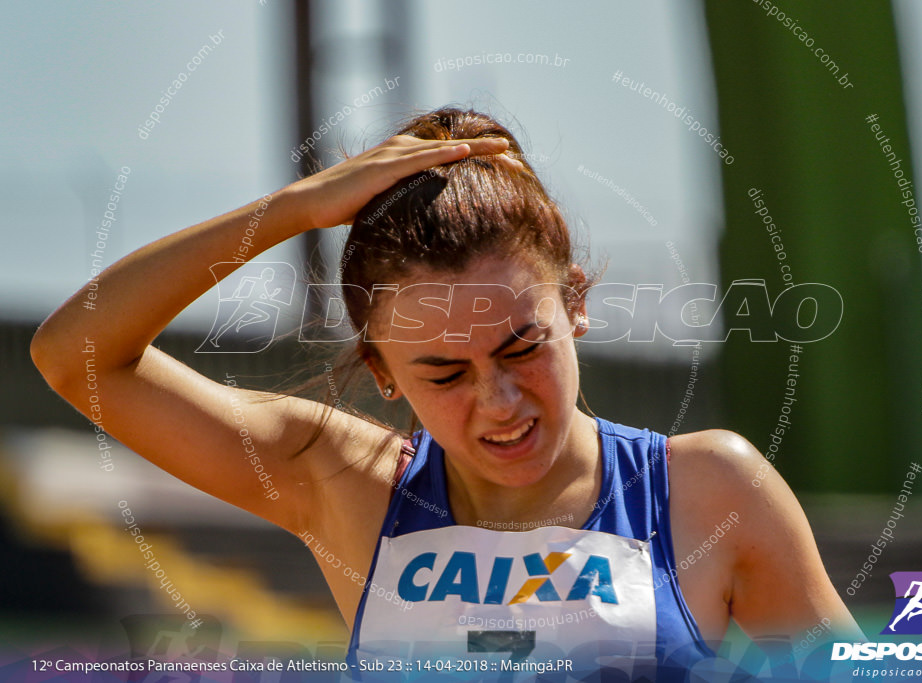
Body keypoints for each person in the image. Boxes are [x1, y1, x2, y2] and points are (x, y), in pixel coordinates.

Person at [32, 107, 863, 680]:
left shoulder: (710, 489)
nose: (500, 401)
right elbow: (77, 356)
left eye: (521, 347)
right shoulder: (346, 483)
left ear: (575, 301)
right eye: (445, 372)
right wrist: (295, 209)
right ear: (384, 370)